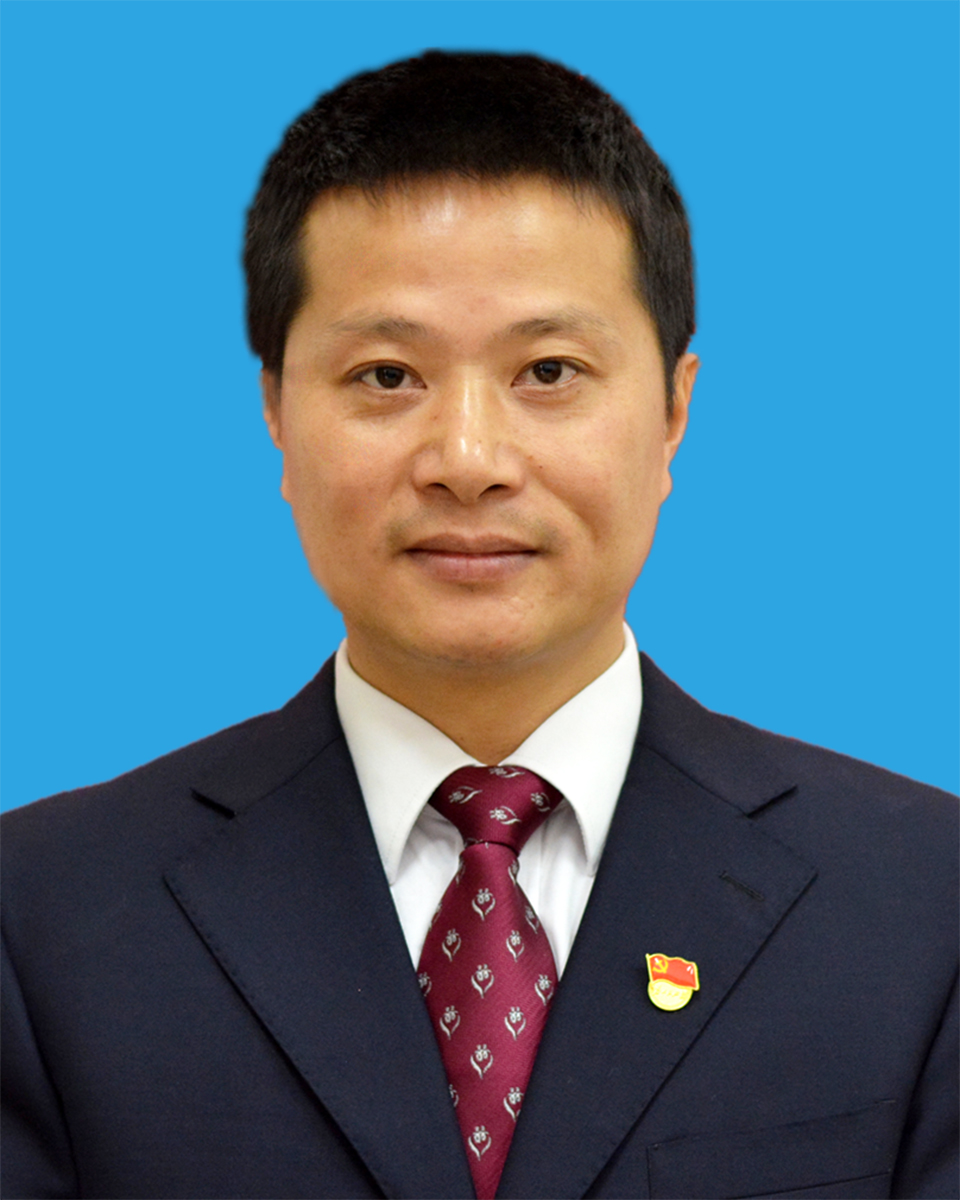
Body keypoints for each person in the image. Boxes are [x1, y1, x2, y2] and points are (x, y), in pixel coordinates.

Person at [2, 50, 956, 1200]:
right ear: (277, 413)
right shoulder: (43, 917)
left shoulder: (925, 906)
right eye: (386, 375)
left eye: (548, 369)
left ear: (673, 412)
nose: (467, 460)